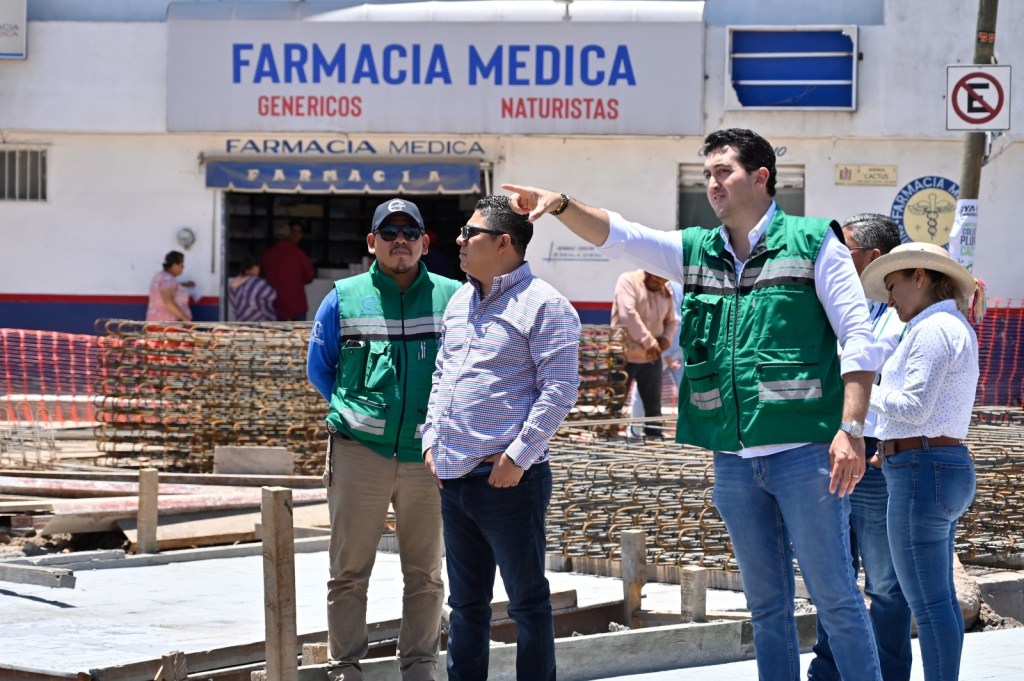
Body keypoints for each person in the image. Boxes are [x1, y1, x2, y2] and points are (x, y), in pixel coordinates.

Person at [503, 127, 886, 681]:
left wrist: (851, 428)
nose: (712, 184)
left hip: (806, 455)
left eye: (723, 172)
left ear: (761, 177)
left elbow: (858, 337)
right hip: (733, 461)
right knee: (767, 609)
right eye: (706, 174)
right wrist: (560, 205)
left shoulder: (813, 243)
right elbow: (621, 236)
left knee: (837, 602)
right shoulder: (697, 251)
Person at [421, 195, 581, 681]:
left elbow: (561, 389)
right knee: (466, 604)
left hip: (507, 480)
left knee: (528, 603)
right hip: (453, 478)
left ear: (504, 243)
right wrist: (430, 440)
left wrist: (517, 457)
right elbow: (442, 375)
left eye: (471, 234)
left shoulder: (545, 305)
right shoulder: (459, 301)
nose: (460, 241)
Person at [306, 198, 461, 681]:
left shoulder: (454, 297)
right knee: (348, 573)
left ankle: (418, 667)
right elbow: (320, 369)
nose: (400, 241)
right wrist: (358, 413)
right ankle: (345, 667)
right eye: (389, 233)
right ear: (372, 243)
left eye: (409, 233)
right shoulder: (344, 297)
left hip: (428, 458)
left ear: (425, 243)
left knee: (426, 573)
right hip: (359, 455)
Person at [860, 242, 980, 681]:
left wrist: (855, 387)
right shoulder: (951, 324)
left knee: (928, 604)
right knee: (939, 599)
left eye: (893, 286)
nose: (890, 299)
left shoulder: (931, 329)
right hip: (936, 464)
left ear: (920, 277)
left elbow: (913, 407)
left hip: (921, 469)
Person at [809, 214, 912, 681]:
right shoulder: (825, 305)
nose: (831, 260)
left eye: (843, 250)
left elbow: (876, 368)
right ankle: (829, 673)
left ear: (873, 259)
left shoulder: (899, 315)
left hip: (873, 453)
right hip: (828, 449)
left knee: (887, 583)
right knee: (833, 576)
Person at [612, 269, 679, 439]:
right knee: (615, 402)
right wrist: (650, 342)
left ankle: (654, 436)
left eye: (663, 283)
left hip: (651, 356)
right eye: (656, 282)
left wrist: (666, 338)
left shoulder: (664, 288)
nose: (659, 286)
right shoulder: (628, 280)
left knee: (653, 405)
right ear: (648, 274)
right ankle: (609, 434)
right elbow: (628, 314)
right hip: (624, 355)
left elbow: (672, 320)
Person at [263, 219, 315, 321]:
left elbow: (264, 275)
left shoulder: (268, 255)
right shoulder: (298, 254)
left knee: (277, 335)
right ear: (289, 236)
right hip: (296, 301)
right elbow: (309, 276)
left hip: (276, 302)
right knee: (300, 334)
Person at [146, 250, 193, 322]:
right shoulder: (168, 279)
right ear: (174, 265)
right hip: (168, 324)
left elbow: (169, 288)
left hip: (156, 322)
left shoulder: (161, 276)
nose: (183, 268)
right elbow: (169, 302)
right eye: (181, 265)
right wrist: (185, 318)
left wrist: (185, 284)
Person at [227, 256, 277, 322]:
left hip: (242, 320)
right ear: (254, 267)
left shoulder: (233, 284)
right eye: (258, 267)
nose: (259, 269)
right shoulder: (256, 282)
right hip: (261, 321)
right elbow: (272, 294)